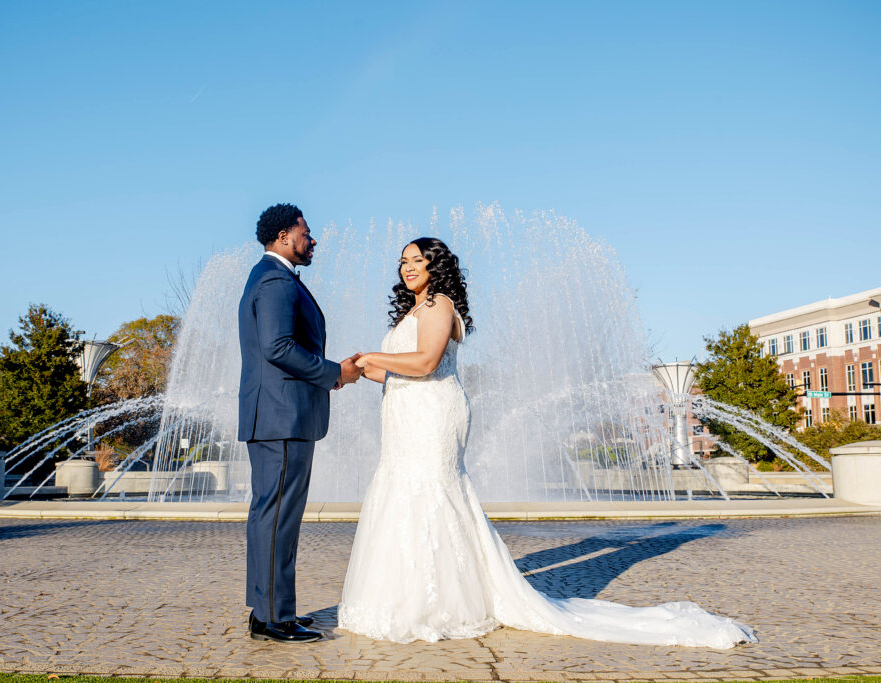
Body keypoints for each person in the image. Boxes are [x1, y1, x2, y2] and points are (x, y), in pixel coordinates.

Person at [336, 237, 757, 648]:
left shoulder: (439, 305)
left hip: (431, 416)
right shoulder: (414, 310)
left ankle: (439, 603)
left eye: (415, 260)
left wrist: (371, 357)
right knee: (403, 490)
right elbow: (400, 370)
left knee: (428, 492)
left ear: (434, 265)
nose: (407, 267)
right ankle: (405, 594)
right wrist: (354, 373)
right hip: (407, 415)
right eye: (402, 261)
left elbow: (426, 362)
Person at [238, 203, 362, 643]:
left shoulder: (268, 276)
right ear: (285, 237)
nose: (313, 241)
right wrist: (335, 374)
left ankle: (268, 610)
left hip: (275, 415)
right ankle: (274, 619)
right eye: (306, 234)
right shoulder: (275, 280)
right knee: (277, 519)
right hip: (281, 416)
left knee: (272, 517)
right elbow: (278, 346)